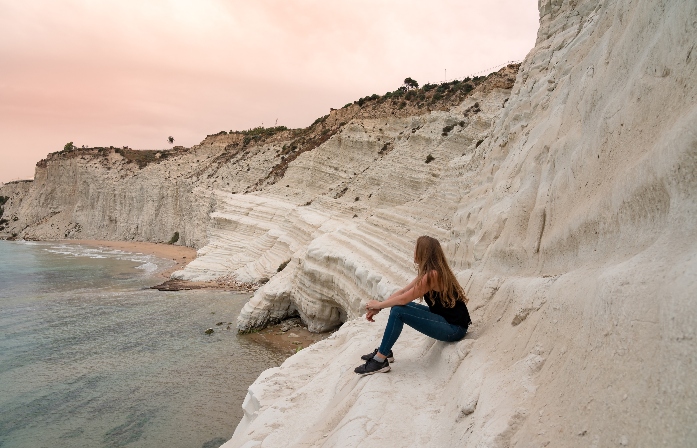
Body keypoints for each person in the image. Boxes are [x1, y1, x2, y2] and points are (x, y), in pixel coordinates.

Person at [354, 235, 471, 376]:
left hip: (454, 329)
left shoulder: (432, 275)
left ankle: (379, 360)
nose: (413, 253)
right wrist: (379, 307)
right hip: (445, 320)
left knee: (398, 310)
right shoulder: (429, 272)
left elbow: (402, 299)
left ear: (423, 252)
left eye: (416, 249)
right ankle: (385, 351)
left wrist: (379, 304)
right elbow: (403, 292)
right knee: (398, 308)